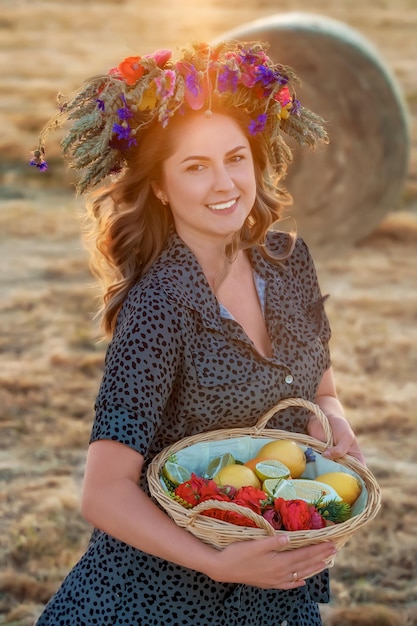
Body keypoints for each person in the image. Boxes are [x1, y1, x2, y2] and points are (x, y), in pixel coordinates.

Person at [32, 41, 365, 626]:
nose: (225, 183)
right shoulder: (159, 305)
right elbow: (104, 491)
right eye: (195, 166)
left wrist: (332, 420)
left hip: (274, 587)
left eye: (236, 158)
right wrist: (216, 563)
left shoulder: (288, 264)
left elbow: (321, 386)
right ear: (160, 186)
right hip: (155, 601)